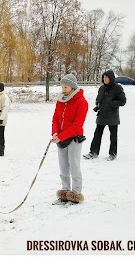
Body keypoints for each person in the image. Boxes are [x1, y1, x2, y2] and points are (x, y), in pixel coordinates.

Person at [51, 73, 88, 205]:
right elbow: (55, 118)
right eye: (62, 85)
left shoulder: (81, 102)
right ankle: (65, 192)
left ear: (72, 86)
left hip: (73, 139)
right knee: (63, 167)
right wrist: (55, 133)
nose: (63, 87)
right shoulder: (60, 100)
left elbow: (77, 125)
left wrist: (61, 136)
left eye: (66, 85)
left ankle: (76, 193)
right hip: (60, 139)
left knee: (74, 166)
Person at [83, 70, 127, 161]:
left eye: (106, 77)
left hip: (112, 115)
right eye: (104, 77)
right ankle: (93, 152)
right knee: (97, 134)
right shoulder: (102, 88)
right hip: (102, 115)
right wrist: (97, 106)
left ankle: (112, 154)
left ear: (111, 78)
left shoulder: (118, 88)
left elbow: (123, 101)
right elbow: (98, 99)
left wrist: (111, 104)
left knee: (113, 136)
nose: (104, 79)